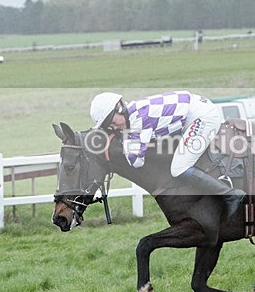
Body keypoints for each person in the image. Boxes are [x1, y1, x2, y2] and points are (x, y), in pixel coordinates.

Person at [89, 91, 245, 217]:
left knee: (179, 168)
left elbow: (136, 161)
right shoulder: (133, 112)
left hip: (202, 117)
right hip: (194, 112)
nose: (113, 127)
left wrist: (124, 141)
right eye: (107, 126)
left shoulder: (138, 120)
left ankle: (231, 195)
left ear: (119, 107)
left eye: (111, 121)